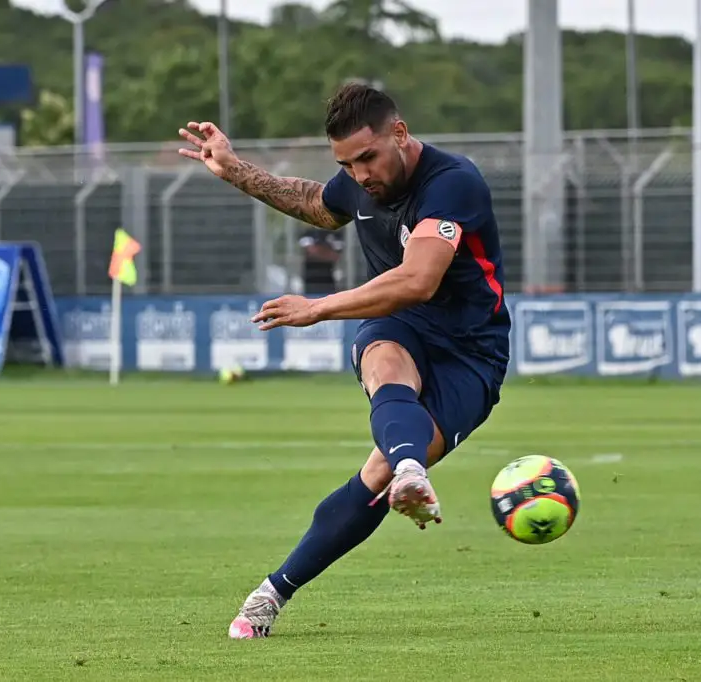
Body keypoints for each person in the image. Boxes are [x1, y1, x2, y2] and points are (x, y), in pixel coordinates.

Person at [177, 82, 510, 638]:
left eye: (367, 158)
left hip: (472, 352)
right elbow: (315, 202)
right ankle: (268, 599)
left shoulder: (453, 182)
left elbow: (418, 279)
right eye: (346, 165)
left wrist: (318, 308)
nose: (359, 175)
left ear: (399, 133)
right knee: (383, 361)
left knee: (375, 475)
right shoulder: (360, 182)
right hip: (399, 324)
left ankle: (387, 483)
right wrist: (235, 170)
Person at [298, 226, 344, 294]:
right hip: (310, 281)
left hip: (328, 281)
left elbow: (335, 256)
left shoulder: (335, 234)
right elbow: (310, 251)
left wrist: (318, 251)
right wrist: (327, 251)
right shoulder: (308, 233)